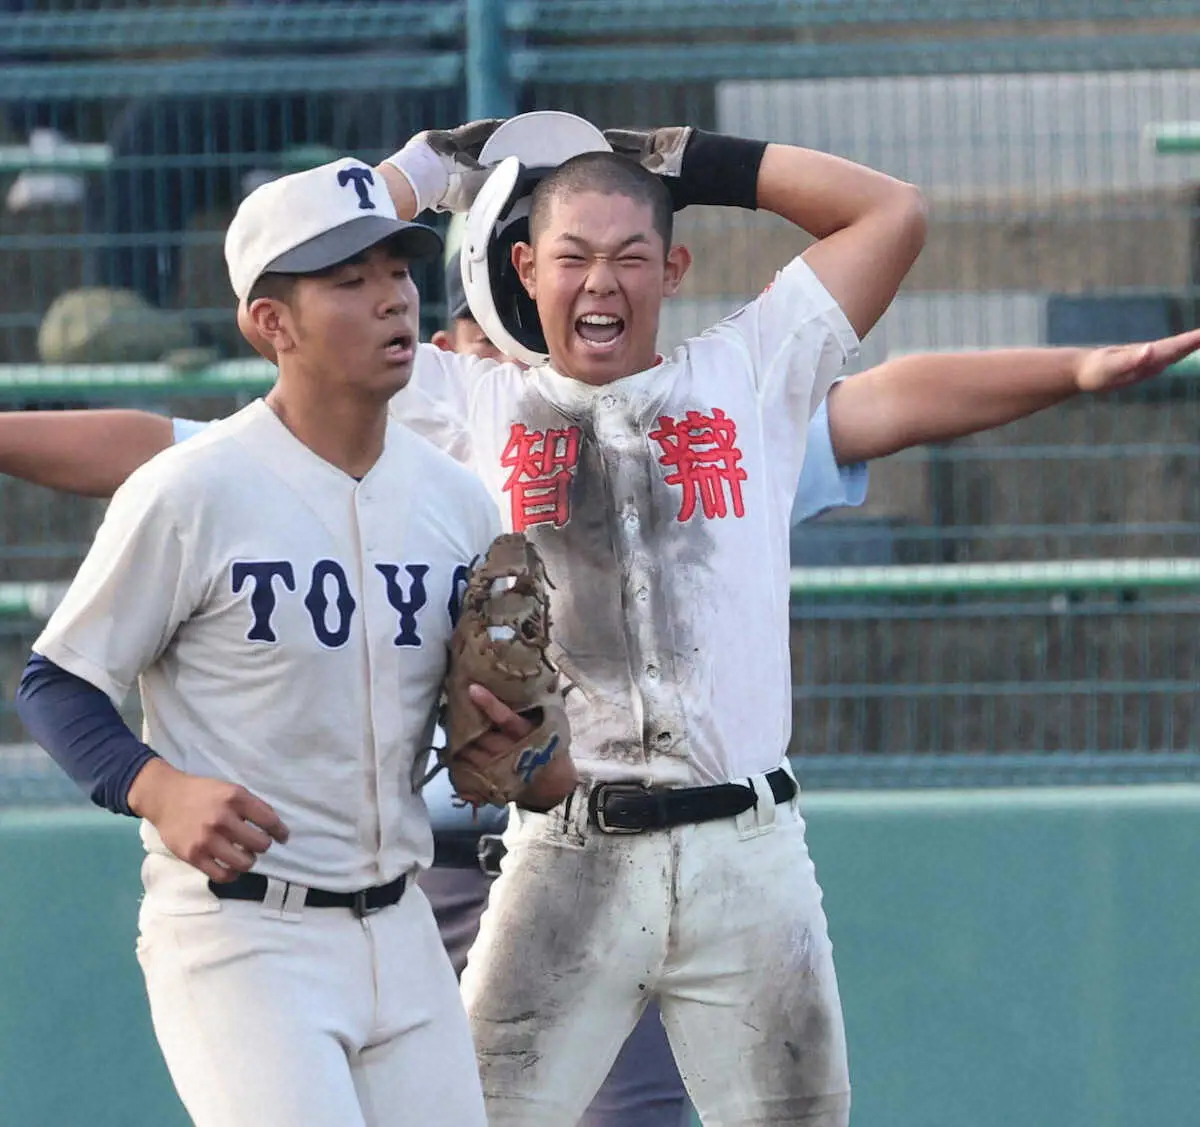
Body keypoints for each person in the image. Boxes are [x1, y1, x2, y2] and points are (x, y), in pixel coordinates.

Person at [5, 119, 1197, 1124]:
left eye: (633, 252)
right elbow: (193, 427)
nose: (602, 280)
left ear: (674, 270)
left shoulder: (740, 383)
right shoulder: (457, 410)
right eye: (571, 253)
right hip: (554, 840)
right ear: (520, 268)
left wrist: (668, 154)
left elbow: (889, 253)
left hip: (739, 842)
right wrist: (424, 171)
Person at [10, 156, 557, 1127]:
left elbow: (498, 732)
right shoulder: (193, 489)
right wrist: (156, 785)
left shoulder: (455, 499)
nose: (390, 297)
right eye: (349, 281)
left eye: (396, 270)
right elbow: (56, 680)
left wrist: (519, 744)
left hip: (404, 927)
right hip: (243, 936)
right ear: (272, 324)